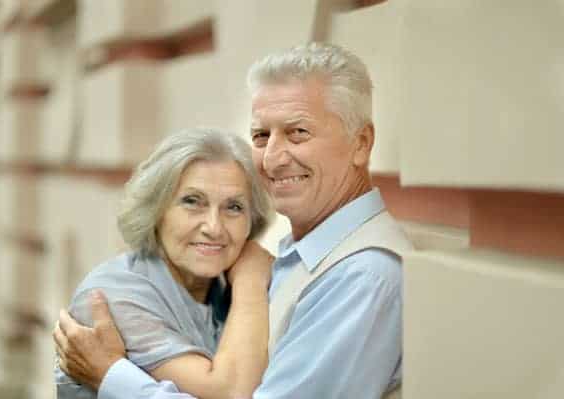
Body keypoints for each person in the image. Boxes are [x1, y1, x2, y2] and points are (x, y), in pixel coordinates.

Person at [54, 42, 413, 399]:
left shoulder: (361, 278)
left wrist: (112, 376)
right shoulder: (288, 263)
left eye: (298, 132)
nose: (272, 158)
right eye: (261, 135)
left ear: (361, 143)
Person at [54, 127, 275, 399]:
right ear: (156, 210)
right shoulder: (113, 296)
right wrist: (251, 280)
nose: (214, 227)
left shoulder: (221, 295)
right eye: (192, 201)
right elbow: (230, 392)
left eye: (234, 207)